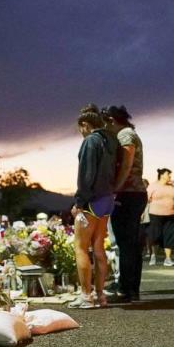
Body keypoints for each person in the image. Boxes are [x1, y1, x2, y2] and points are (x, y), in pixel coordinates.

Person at [68, 104, 118, 309]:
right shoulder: (110, 140)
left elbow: (86, 175)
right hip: (107, 199)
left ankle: (86, 296)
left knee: (80, 247)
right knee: (98, 248)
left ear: (85, 125)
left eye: (80, 128)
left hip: (91, 201)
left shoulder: (90, 141)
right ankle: (101, 296)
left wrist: (79, 203)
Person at [103, 104, 146, 303]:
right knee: (131, 244)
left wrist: (115, 189)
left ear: (112, 120)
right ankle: (131, 289)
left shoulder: (125, 135)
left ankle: (125, 289)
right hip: (134, 194)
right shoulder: (129, 133)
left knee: (126, 244)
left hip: (128, 194)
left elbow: (127, 163)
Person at [147, 168, 174, 266]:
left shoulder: (172, 187)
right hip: (155, 214)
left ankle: (168, 259)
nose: (170, 176)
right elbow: (146, 199)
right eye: (168, 174)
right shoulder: (152, 186)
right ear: (161, 175)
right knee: (155, 235)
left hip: (171, 214)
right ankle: (153, 255)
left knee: (169, 236)